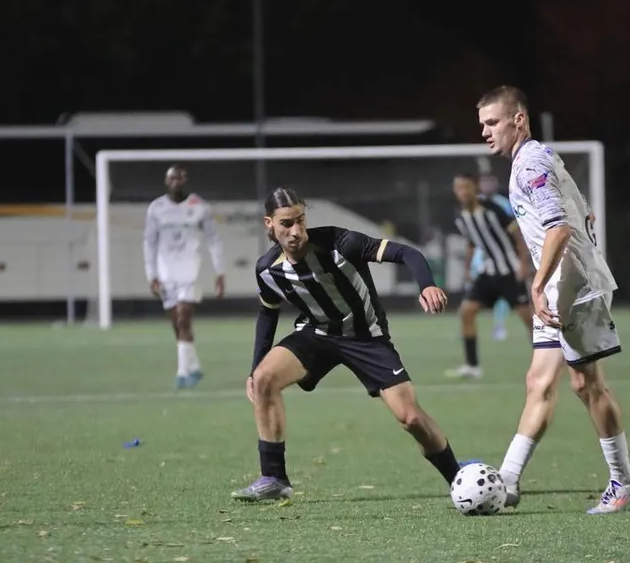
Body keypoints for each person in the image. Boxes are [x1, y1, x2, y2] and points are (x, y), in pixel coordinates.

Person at [231, 187, 464, 502]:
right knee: (263, 379)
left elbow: (408, 253)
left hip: (367, 337)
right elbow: (267, 313)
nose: (297, 230)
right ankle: (274, 478)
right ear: (269, 224)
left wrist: (427, 285)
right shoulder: (268, 269)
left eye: (300, 220)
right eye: (287, 223)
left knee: (410, 417)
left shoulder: (342, 244)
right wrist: (253, 367)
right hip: (316, 334)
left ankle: (459, 480)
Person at [476, 85, 630, 514]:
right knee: (539, 381)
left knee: (587, 385)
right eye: (482, 125)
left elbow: (559, 228)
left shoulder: (530, 162)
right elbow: (582, 216)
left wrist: (537, 285)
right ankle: (508, 481)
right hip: (558, 287)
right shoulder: (536, 160)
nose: (485, 132)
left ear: (519, 120)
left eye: (492, 122)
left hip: (572, 288)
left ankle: (624, 482)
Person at [143, 165, 226, 389]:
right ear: (166, 181)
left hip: (191, 270)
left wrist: (220, 272)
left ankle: (182, 373)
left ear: (185, 180)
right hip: (166, 273)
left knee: (183, 318)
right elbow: (149, 243)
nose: (176, 182)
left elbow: (213, 240)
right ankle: (195, 366)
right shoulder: (156, 208)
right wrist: (151, 274)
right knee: (176, 324)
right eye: (172, 179)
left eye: (179, 178)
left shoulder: (199, 206)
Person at [447, 170, 534, 380]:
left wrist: (523, 264)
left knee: (530, 320)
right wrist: (468, 269)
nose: (462, 192)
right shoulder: (461, 217)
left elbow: (518, 235)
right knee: (467, 312)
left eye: (466, 187)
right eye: (458, 188)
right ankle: (472, 366)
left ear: (475, 188)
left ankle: (548, 361)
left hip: (509, 271)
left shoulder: (493, 210)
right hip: (487, 271)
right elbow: (471, 242)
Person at [477, 173, 519, 341]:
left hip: (501, 255)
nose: (487, 186)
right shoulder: (474, 202)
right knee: (472, 291)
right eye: (484, 183)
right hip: (480, 255)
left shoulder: (504, 204)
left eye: (490, 182)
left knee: (502, 292)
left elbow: (514, 226)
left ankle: (499, 326)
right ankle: (467, 328)